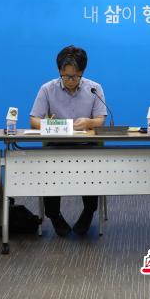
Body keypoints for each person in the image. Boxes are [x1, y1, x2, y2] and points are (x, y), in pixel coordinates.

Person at [29, 45, 106, 236]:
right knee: (49, 167)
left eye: (76, 76)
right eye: (67, 76)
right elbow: (33, 120)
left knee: (92, 166)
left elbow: (100, 120)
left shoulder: (94, 88)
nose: (71, 80)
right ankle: (54, 215)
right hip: (56, 145)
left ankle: (88, 212)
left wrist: (89, 122)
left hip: (86, 145)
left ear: (82, 72)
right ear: (59, 71)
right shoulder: (47, 89)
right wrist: (48, 124)